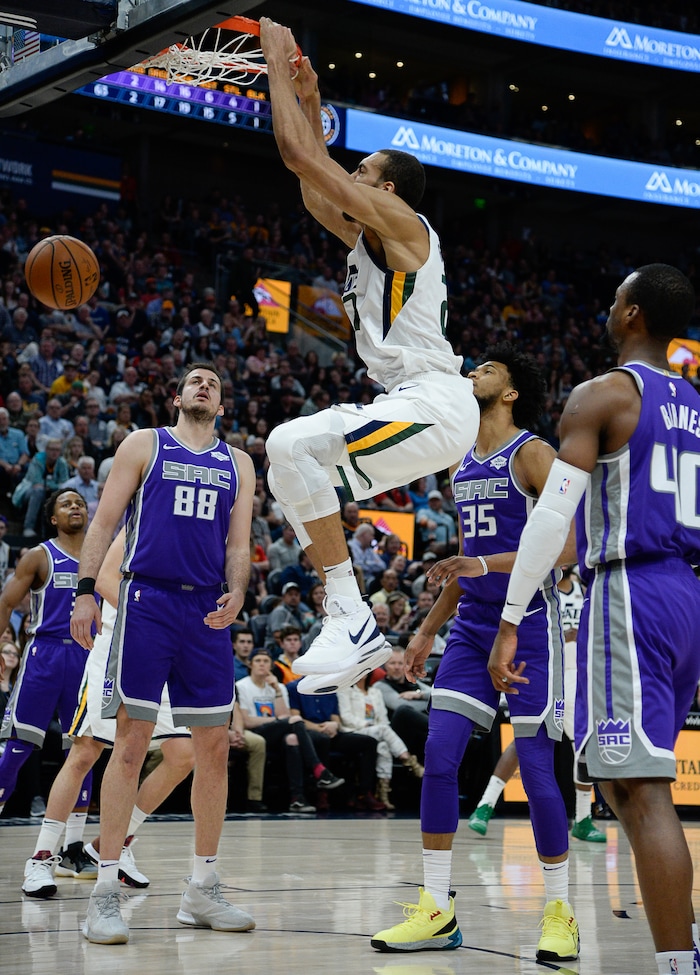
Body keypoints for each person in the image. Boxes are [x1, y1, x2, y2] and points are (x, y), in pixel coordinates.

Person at [489, 265, 700, 975]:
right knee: (623, 781)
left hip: (629, 589)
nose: (607, 308)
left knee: (639, 792)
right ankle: (686, 933)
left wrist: (512, 616)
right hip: (683, 594)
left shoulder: (604, 393)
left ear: (633, 314)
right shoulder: (694, 402)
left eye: (614, 299)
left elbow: (553, 517)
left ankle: (679, 963)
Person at [259, 19, 479, 695]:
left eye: (361, 172)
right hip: (408, 402)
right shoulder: (371, 241)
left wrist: (273, 65)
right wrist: (310, 92)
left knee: (291, 444)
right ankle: (349, 617)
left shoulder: (408, 229)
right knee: (288, 463)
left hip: (436, 404)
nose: (348, 179)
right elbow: (312, 184)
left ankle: (351, 614)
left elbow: (301, 160)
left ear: (387, 192)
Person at [371, 343, 578, 961]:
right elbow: (464, 563)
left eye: (486, 369)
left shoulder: (534, 453)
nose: (472, 373)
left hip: (532, 623)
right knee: (439, 756)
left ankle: (560, 912)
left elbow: (566, 547)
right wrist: (426, 629)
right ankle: (437, 908)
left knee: (536, 767)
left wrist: (483, 563)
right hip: (471, 626)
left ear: (511, 393)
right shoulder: (461, 462)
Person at [70, 362, 256, 945]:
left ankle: (202, 888)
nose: (205, 386)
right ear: (177, 397)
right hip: (146, 600)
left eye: (215, 384)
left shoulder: (240, 463)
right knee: (129, 745)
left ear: (221, 406)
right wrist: (83, 593)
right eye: (195, 380)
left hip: (205, 612)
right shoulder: (144, 444)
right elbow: (103, 521)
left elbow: (239, 541)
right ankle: (103, 892)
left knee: (215, 752)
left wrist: (240, 590)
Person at [20, 526, 195, 899]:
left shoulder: (200, 537)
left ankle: (109, 846)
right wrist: (160, 616)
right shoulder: (142, 522)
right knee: (86, 751)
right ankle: (42, 856)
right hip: (116, 651)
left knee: (184, 755)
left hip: (164, 655)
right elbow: (104, 578)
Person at [467, 562, 605, 844]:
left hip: (580, 673)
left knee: (579, 741)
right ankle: (486, 804)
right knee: (530, 736)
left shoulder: (584, 591)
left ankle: (581, 817)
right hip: (547, 666)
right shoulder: (539, 591)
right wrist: (563, 636)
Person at [0, 490, 96, 839]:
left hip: (88, 657)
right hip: (45, 654)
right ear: (53, 518)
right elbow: (7, 602)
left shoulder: (102, 558)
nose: (75, 507)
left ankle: (71, 848)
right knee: (18, 745)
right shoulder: (39, 556)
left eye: (80, 503)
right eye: (66, 504)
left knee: (84, 750)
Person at [235, 648, 344, 812]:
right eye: (258, 661)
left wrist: (277, 692)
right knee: (295, 720)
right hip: (257, 731)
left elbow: (284, 715)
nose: (262, 665)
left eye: (265, 661)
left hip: (277, 731)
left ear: (271, 665)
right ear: (250, 664)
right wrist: (278, 720)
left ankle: (297, 798)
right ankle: (318, 770)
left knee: (292, 739)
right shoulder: (242, 686)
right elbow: (248, 721)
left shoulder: (279, 687)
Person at [337, 671, 424, 810]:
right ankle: (409, 761)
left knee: (383, 747)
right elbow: (346, 716)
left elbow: (383, 718)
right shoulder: (346, 691)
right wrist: (366, 725)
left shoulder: (375, 692)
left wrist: (378, 727)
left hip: (377, 730)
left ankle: (383, 794)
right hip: (355, 730)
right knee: (383, 730)